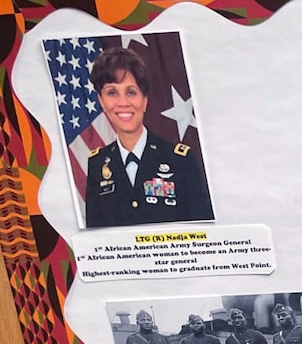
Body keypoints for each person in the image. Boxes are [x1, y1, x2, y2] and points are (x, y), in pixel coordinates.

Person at [83, 47, 213, 228]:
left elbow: (204, 231)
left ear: (144, 100)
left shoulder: (180, 160)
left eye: (131, 92)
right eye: (112, 92)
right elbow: (95, 237)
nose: (123, 103)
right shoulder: (97, 164)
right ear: (101, 101)